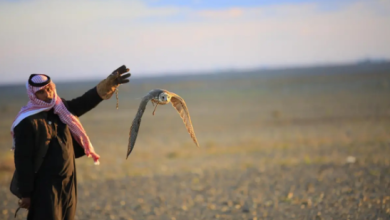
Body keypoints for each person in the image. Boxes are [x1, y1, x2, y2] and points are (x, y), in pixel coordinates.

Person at [10, 65, 131, 220]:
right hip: (45, 186)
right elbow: (22, 160)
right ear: (33, 95)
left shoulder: (61, 109)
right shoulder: (27, 121)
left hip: (68, 181)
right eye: (41, 91)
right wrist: (26, 193)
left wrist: (107, 86)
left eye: (49, 89)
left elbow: (84, 102)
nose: (47, 93)